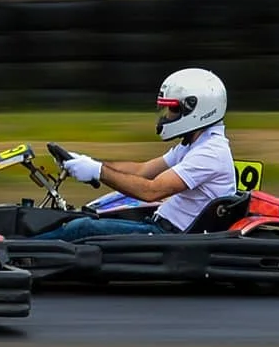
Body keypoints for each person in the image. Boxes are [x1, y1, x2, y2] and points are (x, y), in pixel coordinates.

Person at [36, 67, 235, 242]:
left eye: (172, 109)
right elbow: (143, 170)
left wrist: (98, 172)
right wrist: (87, 162)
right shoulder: (195, 145)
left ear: (196, 109)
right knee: (83, 217)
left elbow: (151, 191)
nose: (167, 116)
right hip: (161, 228)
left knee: (82, 228)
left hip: (169, 237)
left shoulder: (210, 153)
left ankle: (17, 251)